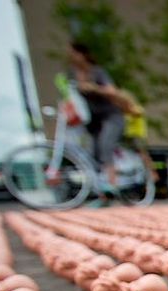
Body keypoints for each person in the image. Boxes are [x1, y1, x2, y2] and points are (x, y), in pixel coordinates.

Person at [67, 42, 124, 201]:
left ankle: (113, 186)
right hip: (92, 120)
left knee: (106, 144)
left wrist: (93, 88)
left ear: (83, 54)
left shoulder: (97, 72)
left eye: (73, 53)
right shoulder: (72, 75)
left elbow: (112, 91)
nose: (71, 56)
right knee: (93, 153)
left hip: (110, 115)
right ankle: (102, 194)